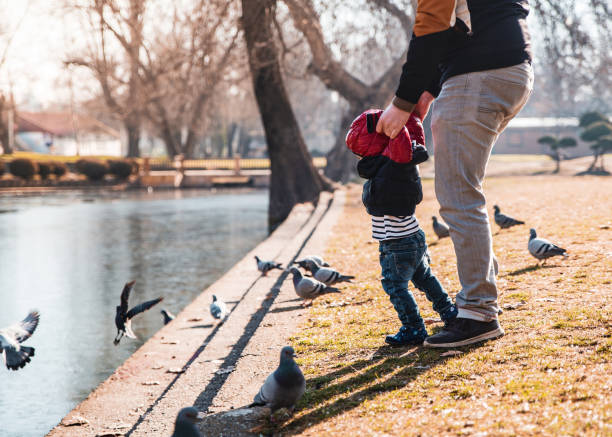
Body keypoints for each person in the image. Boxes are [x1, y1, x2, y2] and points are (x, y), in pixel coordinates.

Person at [376, 0, 534, 347]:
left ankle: (478, 312)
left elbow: (432, 25)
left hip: (477, 76)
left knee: (458, 195)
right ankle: (483, 295)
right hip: (514, 71)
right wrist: (429, 89)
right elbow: (461, 25)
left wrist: (402, 102)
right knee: (468, 189)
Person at [346, 109, 457, 346]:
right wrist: (409, 117)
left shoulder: (397, 160)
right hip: (412, 237)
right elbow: (413, 129)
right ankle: (449, 312)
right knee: (424, 277)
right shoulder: (394, 163)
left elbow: (402, 138)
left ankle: (414, 327)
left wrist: (396, 123)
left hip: (397, 242)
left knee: (394, 286)